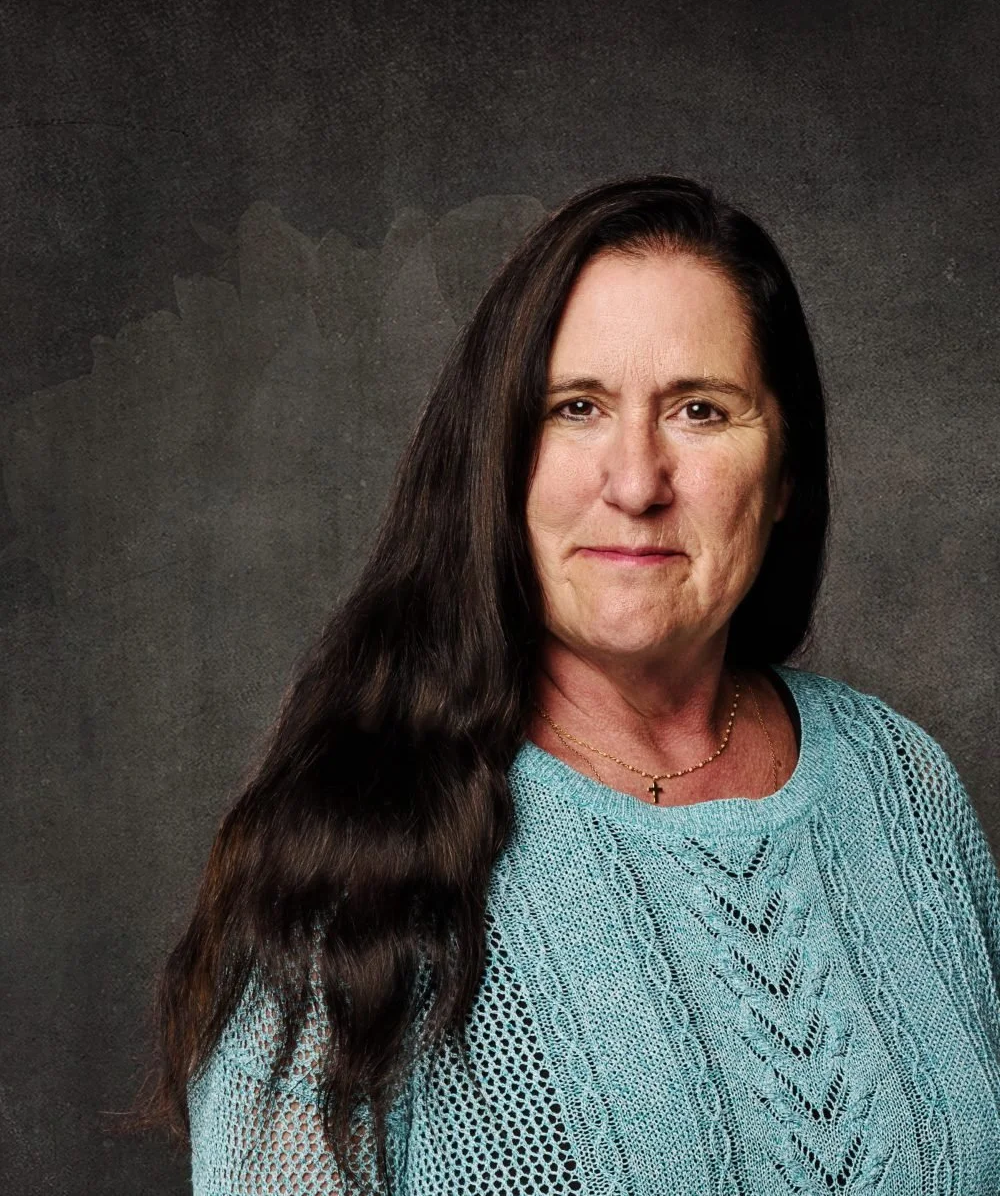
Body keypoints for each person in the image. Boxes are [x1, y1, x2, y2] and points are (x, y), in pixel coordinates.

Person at [141, 174, 1000, 1193]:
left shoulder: (902, 786)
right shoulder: (352, 844)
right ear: (499, 459)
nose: (635, 481)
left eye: (699, 409)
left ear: (783, 474)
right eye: (576, 407)